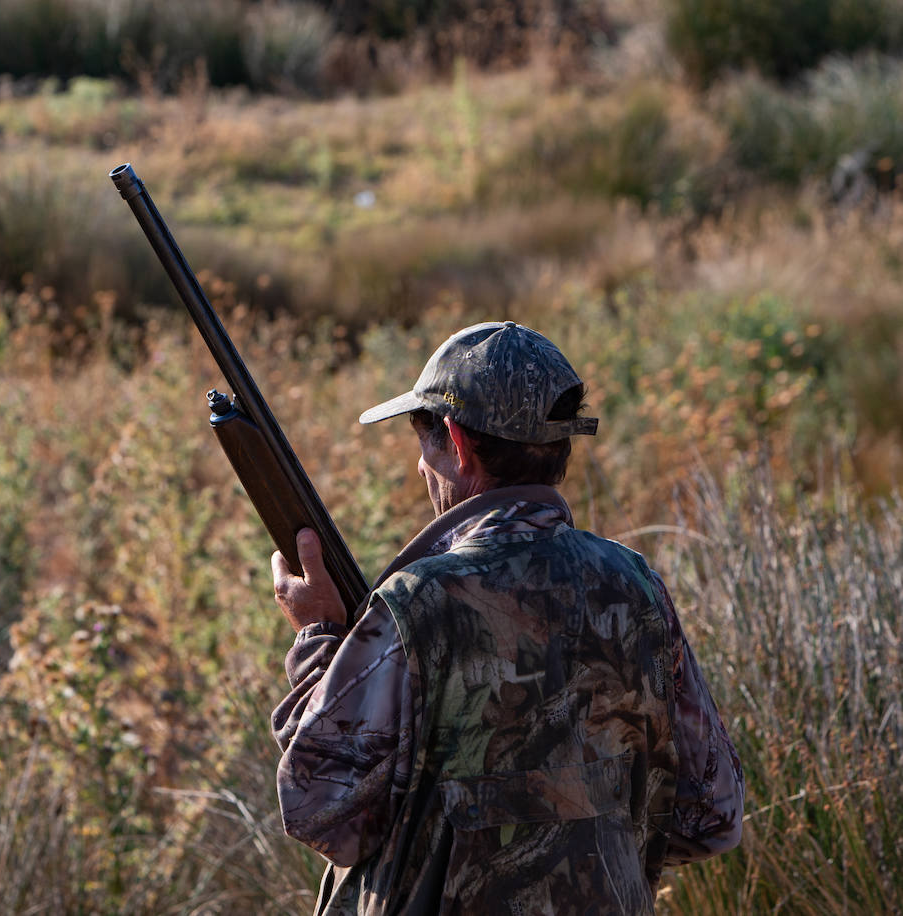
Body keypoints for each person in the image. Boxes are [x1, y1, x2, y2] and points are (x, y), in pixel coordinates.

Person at [269, 321, 743, 915]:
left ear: (457, 443)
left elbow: (319, 807)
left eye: (424, 440)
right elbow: (712, 815)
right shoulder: (638, 586)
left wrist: (318, 640)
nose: (420, 467)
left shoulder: (418, 602)